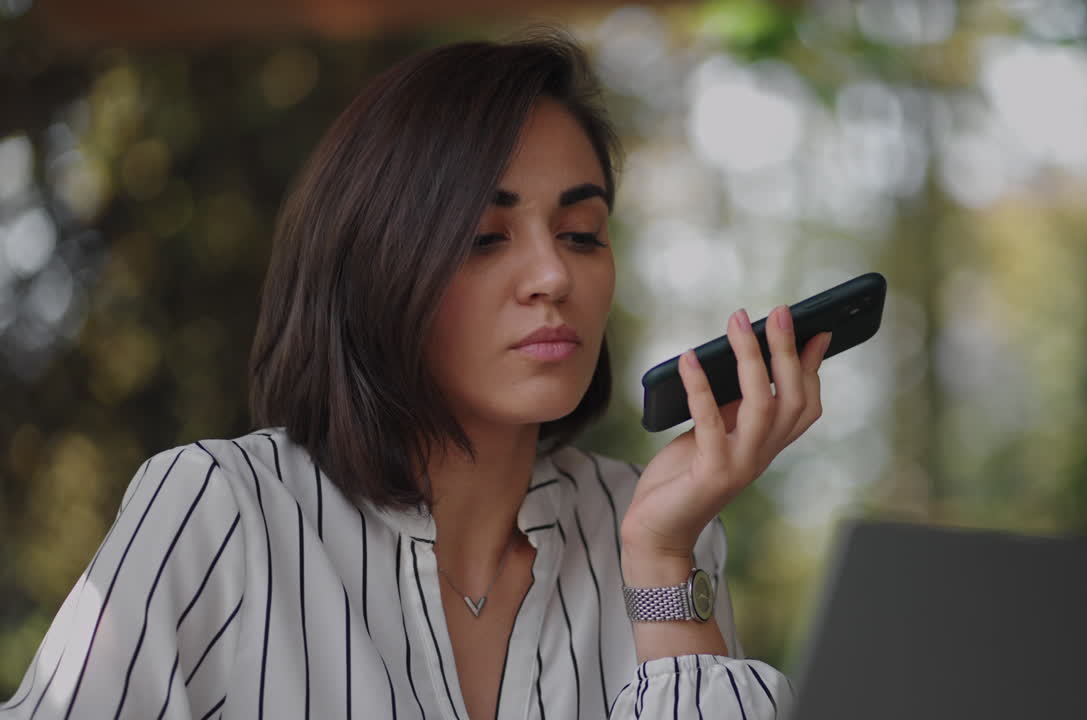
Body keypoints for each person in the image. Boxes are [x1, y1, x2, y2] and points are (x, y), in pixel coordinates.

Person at [1, 32, 831, 720]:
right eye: (483, 237)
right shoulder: (217, 511)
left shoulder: (654, 532)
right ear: (376, 265)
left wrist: (660, 560)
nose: (553, 276)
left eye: (581, 233)